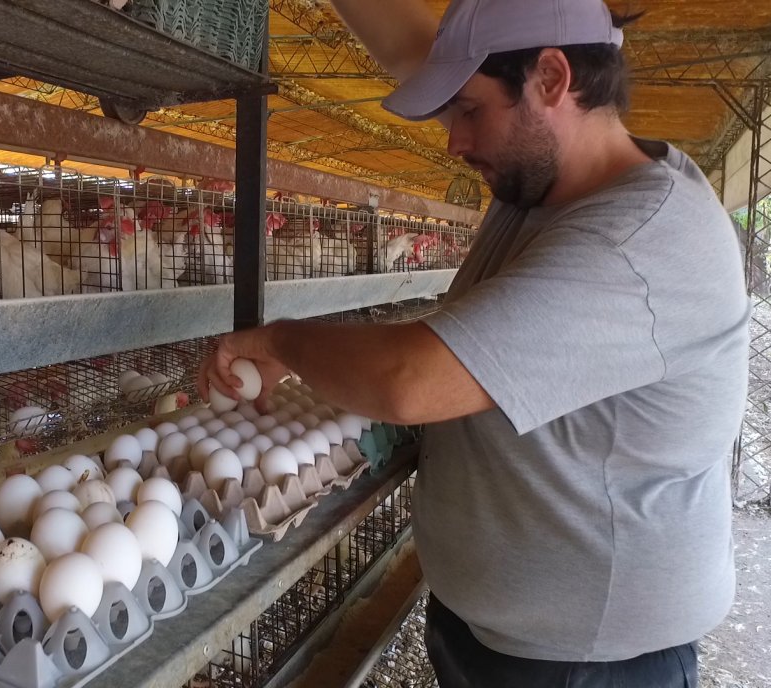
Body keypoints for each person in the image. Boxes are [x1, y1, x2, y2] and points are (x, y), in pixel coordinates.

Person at [198, 0, 750, 686]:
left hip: (588, 665)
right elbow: (415, 53)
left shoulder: (639, 241)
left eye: (468, 111)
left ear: (552, 79)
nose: (453, 142)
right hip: (502, 633)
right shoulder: (544, 187)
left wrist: (282, 342)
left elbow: (410, 381)